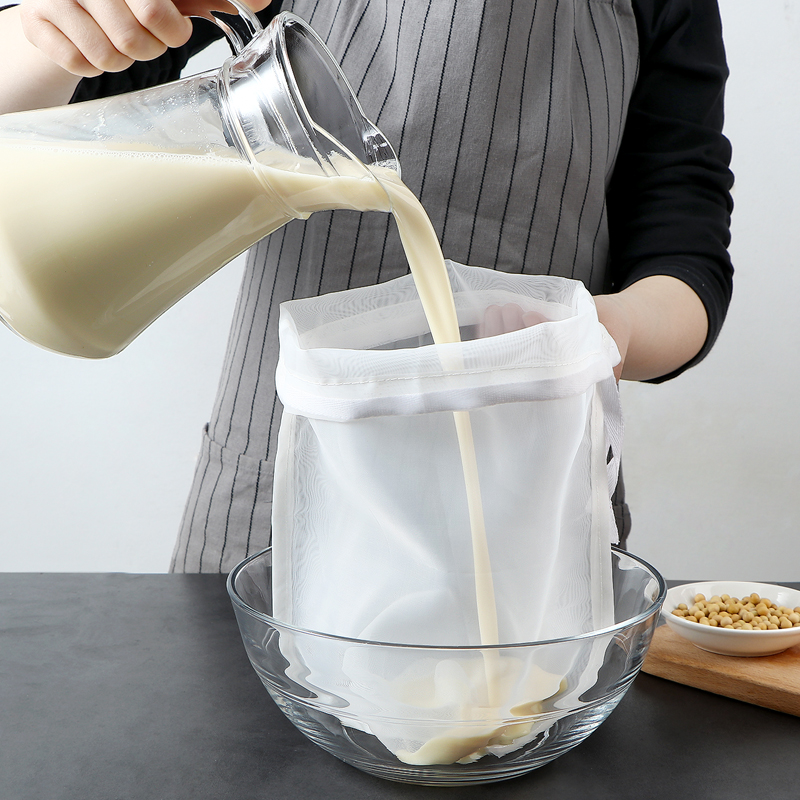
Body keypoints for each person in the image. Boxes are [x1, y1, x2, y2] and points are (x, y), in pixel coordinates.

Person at [0, 0, 733, 572]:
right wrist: (51, 32)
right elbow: (53, 109)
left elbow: (685, 251)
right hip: (278, 487)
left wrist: (605, 328)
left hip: (526, 505)